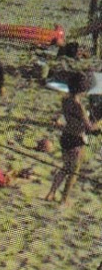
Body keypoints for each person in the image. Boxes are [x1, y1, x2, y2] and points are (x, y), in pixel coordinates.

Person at [48, 71, 99, 203]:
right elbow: (89, 127)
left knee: (64, 168)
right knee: (73, 172)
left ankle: (51, 192)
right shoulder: (79, 106)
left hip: (65, 136)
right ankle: (64, 199)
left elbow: (65, 118)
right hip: (76, 139)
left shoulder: (65, 101)